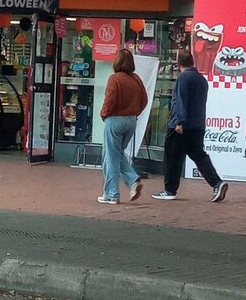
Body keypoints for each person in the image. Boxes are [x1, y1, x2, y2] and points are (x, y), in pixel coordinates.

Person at [152, 51, 228, 202]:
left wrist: (179, 121)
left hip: (182, 126)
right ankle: (216, 183)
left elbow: (181, 100)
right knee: (199, 155)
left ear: (179, 63)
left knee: (172, 156)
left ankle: (170, 189)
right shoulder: (201, 80)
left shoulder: (183, 78)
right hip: (197, 125)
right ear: (192, 62)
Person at [98, 49, 148, 204]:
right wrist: (135, 113)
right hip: (131, 120)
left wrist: (104, 114)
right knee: (117, 154)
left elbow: (110, 100)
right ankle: (132, 181)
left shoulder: (115, 79)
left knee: (111, 157)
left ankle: (112, 194)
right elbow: (144, 100)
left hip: (115, 120)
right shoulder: (136, 79)